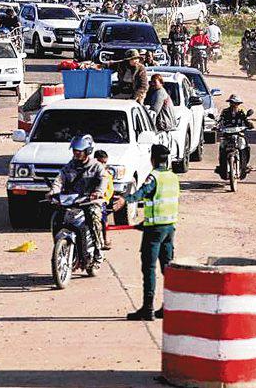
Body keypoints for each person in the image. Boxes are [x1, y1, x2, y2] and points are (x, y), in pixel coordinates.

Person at [112, 144, 178, 321]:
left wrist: (125, 200)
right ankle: (169, 307)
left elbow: (141, 193)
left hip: (154, 231)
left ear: (153, 159)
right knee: (167, 269)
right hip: (169, 228)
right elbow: (163, 203)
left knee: (149, 268)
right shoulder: (172, 177)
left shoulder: (154, 177)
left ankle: (147, 309)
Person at [48, 135, 109, 266]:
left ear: (88, 151)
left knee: (94, 216)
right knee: (56, 218)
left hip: (90, 201)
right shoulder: (69, 166)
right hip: (72, 201)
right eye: (74, 150)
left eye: (79, 151)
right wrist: (53, 191)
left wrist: (98, 192)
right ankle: (61, 247)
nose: (76, 153)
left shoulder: (97, 166)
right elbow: (59, 179)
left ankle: (98, 249)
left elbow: (104, 179)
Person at [217, 95, 254, 177]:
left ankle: (244, 165)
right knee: (222, 148)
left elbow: (246, 120)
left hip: (239, 134)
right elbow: (220, 120)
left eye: (236, 103)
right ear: (229, 103)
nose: (234, 105)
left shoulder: (242, 111)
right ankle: (222, 167)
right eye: (232, 103)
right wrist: (217, 126)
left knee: (245, 147)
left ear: (239, 104)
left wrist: (250, 124)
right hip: (227, 134)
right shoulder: (225, 111)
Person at [94, 149, 113, 249]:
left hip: (101, 201)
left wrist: (105, 198)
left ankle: (106, 239)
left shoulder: (106, 174)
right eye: (100, 162)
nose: (102, 165)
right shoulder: (90, 172)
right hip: (88, 199)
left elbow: (110, 189)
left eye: (104, 163)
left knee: (103, 220)